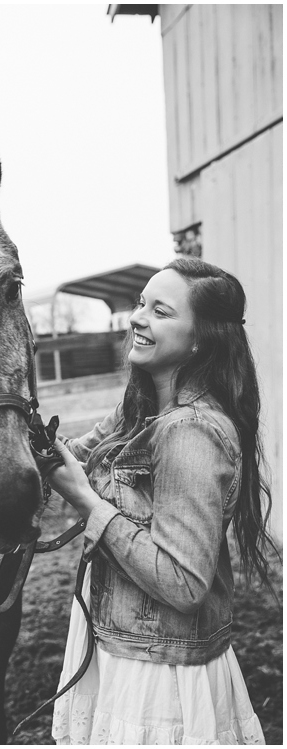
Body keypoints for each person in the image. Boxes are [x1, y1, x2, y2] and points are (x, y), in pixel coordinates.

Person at [47, 258, 275, 745]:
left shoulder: (190, 432)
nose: (136, 318)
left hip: (157, 675)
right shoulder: (141, 409)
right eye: (140, 304)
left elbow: (185, 582)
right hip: (123, 643)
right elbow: (70, 457)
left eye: (160, 310)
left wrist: (90, 505)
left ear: (199, 341)